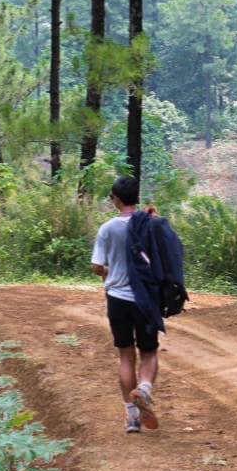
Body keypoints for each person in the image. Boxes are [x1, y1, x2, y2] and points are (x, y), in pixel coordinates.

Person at [91, 174, 160, 434]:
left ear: (116, 200)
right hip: (145, 298)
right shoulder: (150, 224)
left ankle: (132, 417)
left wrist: (109, 271)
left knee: (126, 355)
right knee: (149, 352)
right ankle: (144, 389)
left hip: (117, 298)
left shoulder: (107, 228)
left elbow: (97, 266)